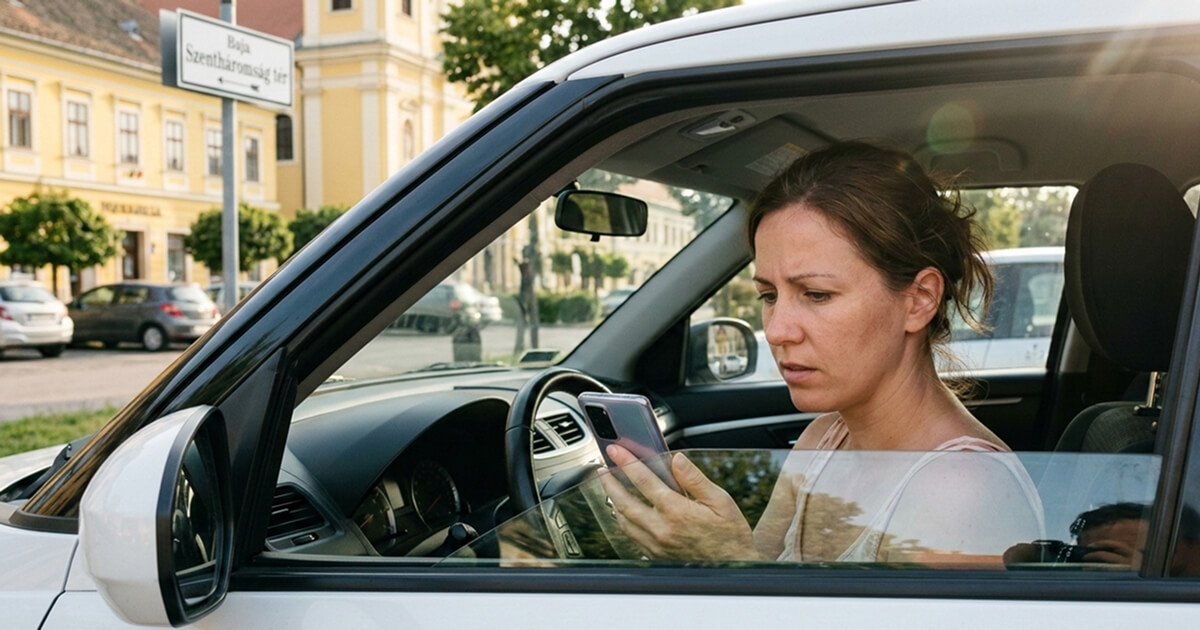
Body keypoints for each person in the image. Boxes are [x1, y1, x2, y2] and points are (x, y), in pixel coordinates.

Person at [599, 141, 1044, 563]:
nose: (776, 331)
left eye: (815, 294)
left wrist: (726, 563)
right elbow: (767, 576)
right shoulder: (823, 439)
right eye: (769, 295)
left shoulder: (959, 489)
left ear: (919, 300)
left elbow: (751, 583)